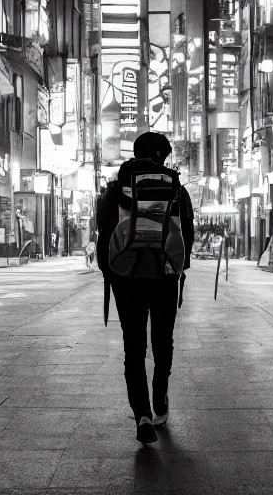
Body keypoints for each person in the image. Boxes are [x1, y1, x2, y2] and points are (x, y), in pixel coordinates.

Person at [97, 132, 194, 445]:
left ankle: (141, 414)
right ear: (158, 154)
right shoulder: (176, 188)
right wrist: (179, 268)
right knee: (163, 342)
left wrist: (110, 273)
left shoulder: (114, 188)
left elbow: (103, 233)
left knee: (134, 348)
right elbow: (186, 233)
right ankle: (160, 400)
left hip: (126, 277)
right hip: (165, 274)